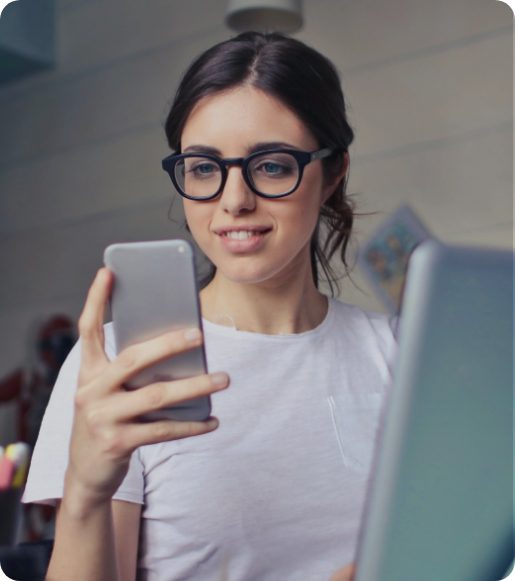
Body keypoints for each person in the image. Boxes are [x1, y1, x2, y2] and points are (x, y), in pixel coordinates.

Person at [23, 32, 396, 580]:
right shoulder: (120, 363)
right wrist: (84, 492)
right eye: (203, 168)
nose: (234, 200)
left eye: (271, 165)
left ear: (334, 171)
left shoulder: (400, 353)